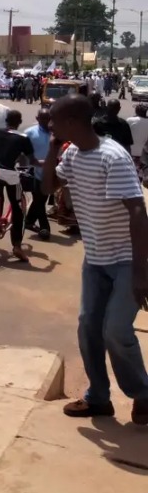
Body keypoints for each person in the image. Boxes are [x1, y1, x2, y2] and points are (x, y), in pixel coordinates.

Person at [43, 94, 148, 424]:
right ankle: (98, 398)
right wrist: (51, 148)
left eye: (55, 121)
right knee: (88, 326)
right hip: (96, 258)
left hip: (128, 259)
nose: (50, 125)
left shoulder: (111, 156)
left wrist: (141, 273)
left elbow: (137, 210)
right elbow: (48, 186)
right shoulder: (73, 153)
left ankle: (144, 395)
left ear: (73, 123)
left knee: (115, 330)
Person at [0, 109, 34, 263]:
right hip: (8, 173)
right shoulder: (23, 138)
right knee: (17, 207)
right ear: (19, 122)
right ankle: (17, 247)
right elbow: (31, 160)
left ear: (6, 120)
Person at [24, 108, 54, 241]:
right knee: (39, 201)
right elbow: (22, 150)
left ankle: (29, 221)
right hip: (34, 171)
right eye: (43, 118)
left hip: (51, 172)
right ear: (37, 119)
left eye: (48, 118)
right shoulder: (30, 132)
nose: (46, 121)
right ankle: (45, 228)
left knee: (42, 199)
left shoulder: (56, 132)